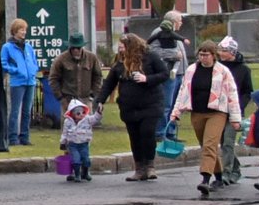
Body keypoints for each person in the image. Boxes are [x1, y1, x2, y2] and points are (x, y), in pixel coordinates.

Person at [97, 33, 172, 182]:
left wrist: (147, 79)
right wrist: (100, 100)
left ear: (132, 46)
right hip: (129, 106)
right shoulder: (120, 62)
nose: (120, 49)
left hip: (150, 104)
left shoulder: (150, 57)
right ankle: (139, 168)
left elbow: (165, 74)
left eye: (123, 46)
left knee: (147, 132)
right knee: (135, 136)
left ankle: (150, 165)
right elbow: (109, 83)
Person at [170, 43, 240, 200]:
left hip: (217, 112)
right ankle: (219, 177)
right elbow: (183, 92)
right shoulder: (191, 70)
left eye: (206, 54)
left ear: (213, 55)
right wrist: (176, 112)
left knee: (209, 144)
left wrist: (235, 118)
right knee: (207, 146)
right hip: (197, 112)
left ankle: (205, 179)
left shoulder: (222, 71)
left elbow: (232, 94)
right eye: (201, 54)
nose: (203, 57)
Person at [214, 38, 253, 188]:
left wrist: (238, 106)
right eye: (220, 50)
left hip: (235, 112)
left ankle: (227, 172)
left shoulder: (244, 70)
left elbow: (247, 92)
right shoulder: (217, 67)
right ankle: (236, 169)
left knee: (229, 142)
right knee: (224, 143)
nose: (220, 53)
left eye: (223, 51)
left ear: (232, 52)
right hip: (218, 110)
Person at [150, 13, 190, 147]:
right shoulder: (159, 32)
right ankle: (160, 133)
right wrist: (173, 55)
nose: (181, 23)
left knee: (175, 106)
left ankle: (171, 132)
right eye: (179, 20)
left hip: (180, 74)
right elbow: (153, 51)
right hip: (168, 75)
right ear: (172, 21)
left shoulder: (175, 34)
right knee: (166, 105)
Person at [0, 18, 41, 147]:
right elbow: (4, 64)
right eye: (21, 29)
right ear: (15, 31)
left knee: (27, 111)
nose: (24, 32)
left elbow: (34, 62)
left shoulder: (28, 47)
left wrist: (34, 70)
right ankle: (12, 137)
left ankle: (25, 136)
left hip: (30, 81)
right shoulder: (7, 47)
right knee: (15, 110)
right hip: (17, 82)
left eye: (25, 30)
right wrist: (16, 70)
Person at [48, 34, 102, 110]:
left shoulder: (92, 58)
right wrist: (61, 98)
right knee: (68, 122)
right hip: (68, 100)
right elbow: (53, 79)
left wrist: (92, 96)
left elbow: (98, 77)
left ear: (82, 47)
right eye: (73, 48)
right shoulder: (60, 59)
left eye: (78, 48)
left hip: (86, 99)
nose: (75, 50)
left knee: (87, 121)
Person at [59, 98, 97, 183]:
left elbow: (95, 119)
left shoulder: (87, 119)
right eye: (78, 113)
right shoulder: (68, 122)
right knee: (76, 160)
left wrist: (99, 113)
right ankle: (77, 174)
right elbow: (64, 133)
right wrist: (63, 142)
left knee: (86, 159)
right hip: (73, 144)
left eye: (83, 112)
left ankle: (85, 173)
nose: (81, 115)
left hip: (84, 144)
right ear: (72, 114)